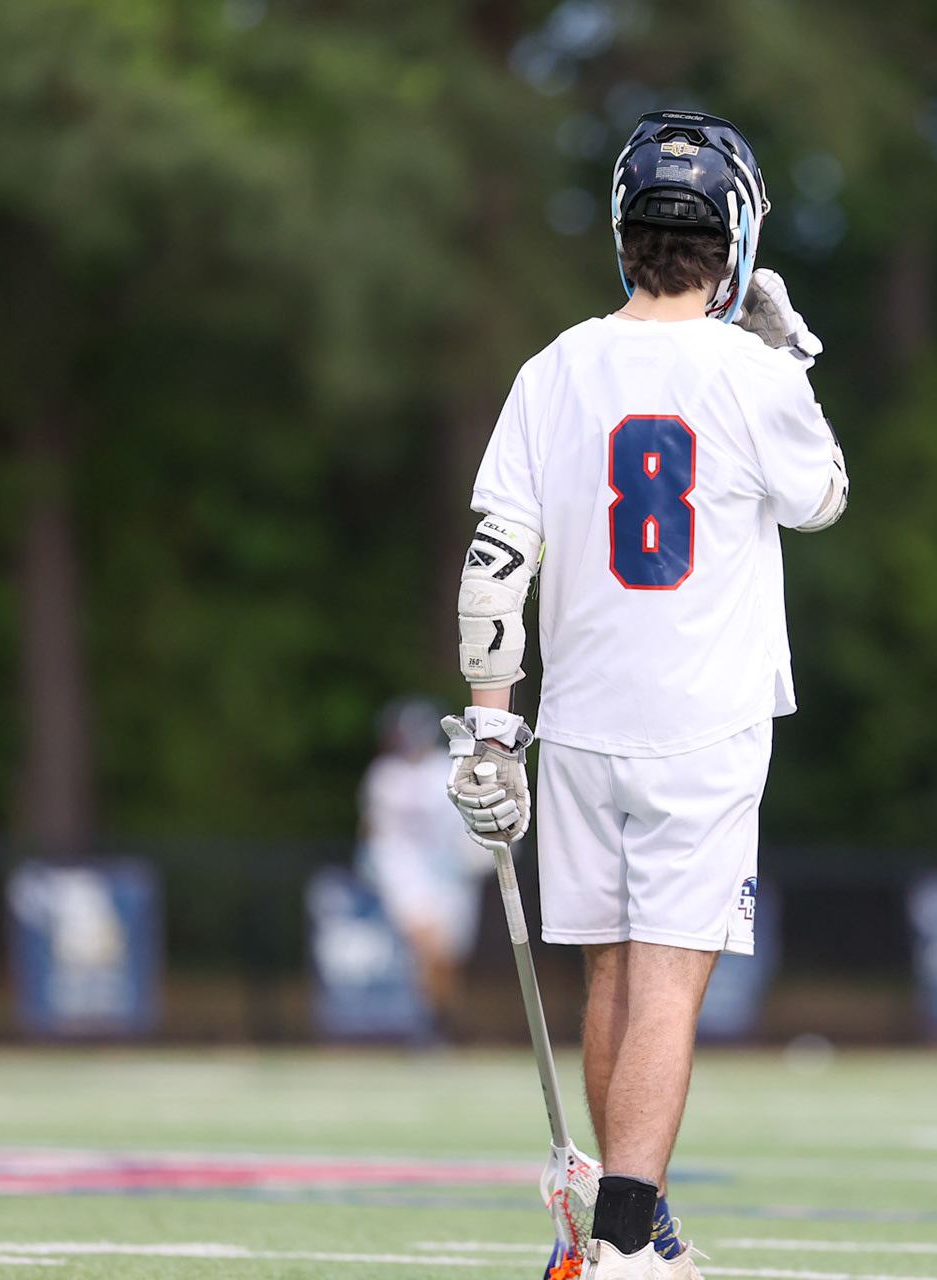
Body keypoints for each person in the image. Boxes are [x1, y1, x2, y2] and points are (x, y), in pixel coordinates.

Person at [442, 111, 847, 1280]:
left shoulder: (552, 366)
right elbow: (821, 495)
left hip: (575, 719)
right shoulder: (748, 370)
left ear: (625, 235)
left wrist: (486, 725)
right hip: (703, 723)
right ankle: (621, 1240)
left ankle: (641, 1218)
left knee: (613, 976)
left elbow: (492, 570)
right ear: (734, 236)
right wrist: (792, 357)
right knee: (668, 976)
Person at [355, 696, 493, 1037]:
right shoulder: (385, 776)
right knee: (425, 943)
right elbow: (375, 830)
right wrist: (373, 860)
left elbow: (467, 822)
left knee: (446, 958)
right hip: (406, 872)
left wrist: (473, 854)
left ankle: (441, 1024)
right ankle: (425, 1028)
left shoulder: (446, 768)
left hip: (452, 874)